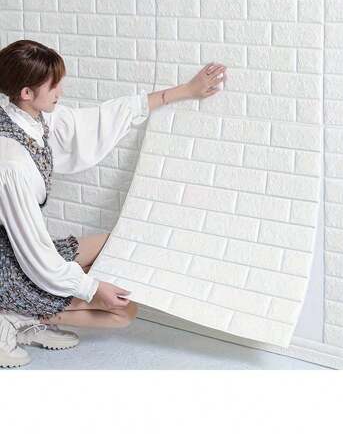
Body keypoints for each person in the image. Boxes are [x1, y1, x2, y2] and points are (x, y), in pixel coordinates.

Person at [0, 39, 226, 368]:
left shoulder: (34, 118)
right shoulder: (10, 161)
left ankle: (26, 314)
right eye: (54, 84)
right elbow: (35, 254)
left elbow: (103, 118)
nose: (61, 90)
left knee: (117, 244)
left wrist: (187, 91)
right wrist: (92, 288)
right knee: (123, 313)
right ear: (26, 92)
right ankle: (14, 316)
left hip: (16, 252)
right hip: (11, 267)